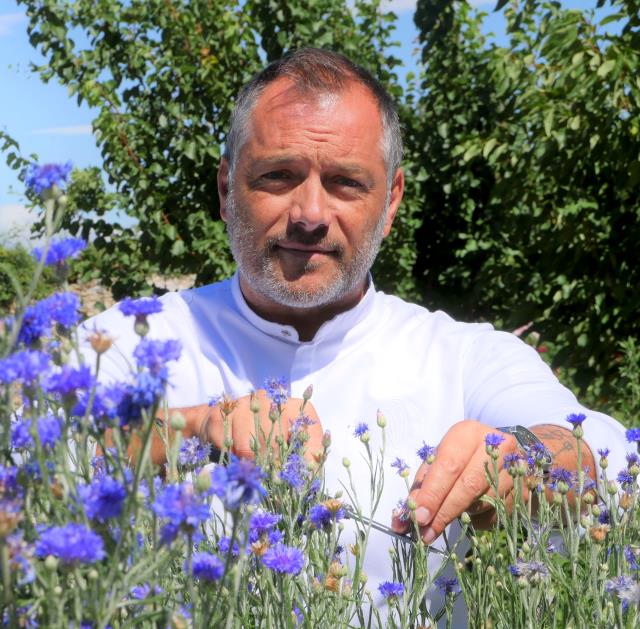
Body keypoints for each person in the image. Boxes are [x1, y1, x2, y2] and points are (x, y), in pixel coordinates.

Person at [80, 47, 628, 620]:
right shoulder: (128, 340)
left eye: (345, 183)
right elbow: (27, 445)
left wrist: (529, 460)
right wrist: (192, 430)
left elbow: (600, 449)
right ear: (225, 188)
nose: (310, 214)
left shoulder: (464, 356)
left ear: (390, 202)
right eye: (278, 176)